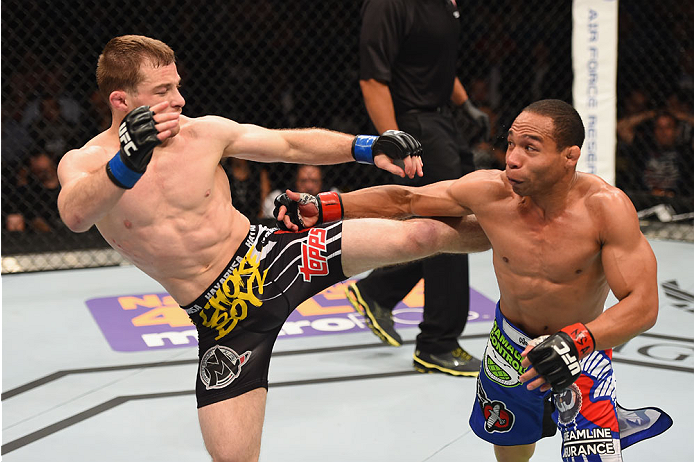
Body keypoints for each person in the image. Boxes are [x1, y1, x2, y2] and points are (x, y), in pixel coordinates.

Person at [56, 35, 491, 462]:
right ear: (120, 101)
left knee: (421, 235)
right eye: (163, 91)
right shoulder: (86, 162)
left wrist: (366, 146)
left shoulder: (203, 133)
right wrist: (125, 163)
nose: (180, 100)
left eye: (178, 86)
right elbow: (75, 214)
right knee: (232, 456)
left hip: (271, 257)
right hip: (221, 315)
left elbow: (289, 144)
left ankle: (514, 232)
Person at [275, 99, 672, 461]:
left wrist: (574, 342)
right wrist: (328, 205)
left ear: (569, 157)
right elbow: (406, 200)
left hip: (581, 351)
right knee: (512, 452)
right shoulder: (492, 192)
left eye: (530, 149)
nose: (512, 158)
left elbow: (643, 304)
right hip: (510, 347)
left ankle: (605, 414)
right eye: (512, 144)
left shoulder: (605, 208)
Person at [347, 0, 491, 376]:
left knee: (459, 223)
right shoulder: (389, 4)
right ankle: (437, 344)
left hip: (443, 119)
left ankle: (379, 292)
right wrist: (394, 138)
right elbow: (372, 79)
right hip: (415, 124)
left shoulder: (447, 3)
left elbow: (438, 60)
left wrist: (466, 104)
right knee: (449, 224)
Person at [261, 164, 330, 219]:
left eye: (314, 181)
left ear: (321, 182)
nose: (309, 186)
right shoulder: (277, 197)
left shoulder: (332, 195)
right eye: (304, 181)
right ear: (296, 181)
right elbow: (270, 220)